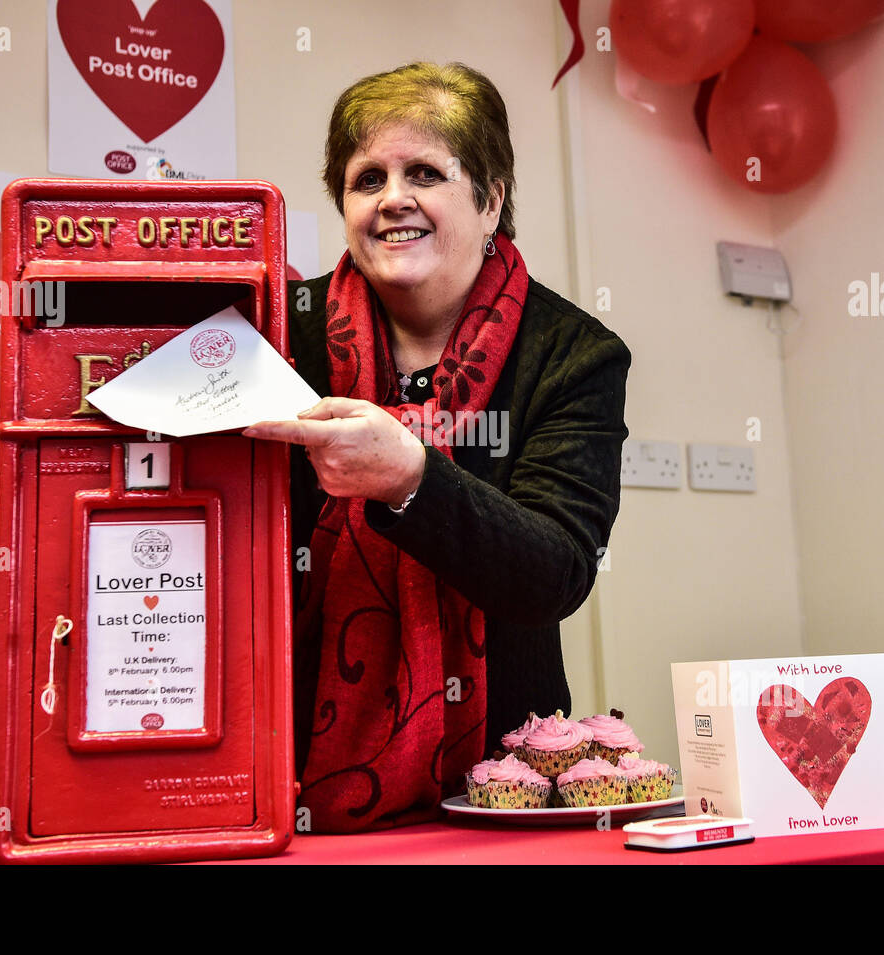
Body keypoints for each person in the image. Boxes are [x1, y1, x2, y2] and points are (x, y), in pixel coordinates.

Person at [241, 62, 630, 832]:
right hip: (285, 778)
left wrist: (413, 479)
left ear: (490, 201)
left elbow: (554, 573)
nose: (393, 199)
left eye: (425, 172)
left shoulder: (575, 354)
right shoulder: (278, 330)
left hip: (498, 780)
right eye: (366, 179)